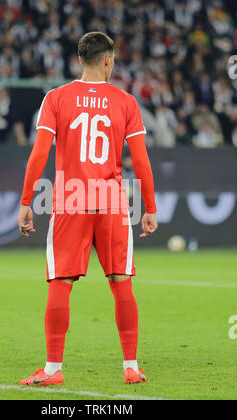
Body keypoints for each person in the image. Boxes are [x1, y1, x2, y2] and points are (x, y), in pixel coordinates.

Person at [17, 32, 158, 387]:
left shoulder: (57, 98)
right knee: (121, 282)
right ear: (108, 60)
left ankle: (52, 370)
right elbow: (140, 160)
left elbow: (39, 154)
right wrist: (150, 207)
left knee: (60, 283)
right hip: (110, 200)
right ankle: (130, 366)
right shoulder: (125, 101)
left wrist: (25, 201)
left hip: (71, 198)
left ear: (81, 59)